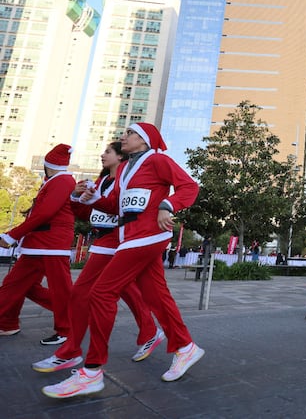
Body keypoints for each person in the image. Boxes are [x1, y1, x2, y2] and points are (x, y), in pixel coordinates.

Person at [43, 123, 203, 398]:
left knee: (101, 293)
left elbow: (189, 186)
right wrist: (93, 198)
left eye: (128, 134)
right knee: (156, 295)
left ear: (143, 139)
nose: (122, 138)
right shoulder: (127, 169)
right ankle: (186, 347)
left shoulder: (157, 159)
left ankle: (92, 371)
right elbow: (115, 205)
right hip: (130, 236)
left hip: (147, 235)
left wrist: (168, 206)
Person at [32, 141, 163, 373]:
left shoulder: (129, 180)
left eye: (108, 152)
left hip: (122, 240)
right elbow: (85, 213)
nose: (102, 155)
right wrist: (76, 197)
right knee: (100, 292)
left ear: (121, 157)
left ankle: (82, 356)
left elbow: (125, 208)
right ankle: (146, 332)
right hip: (103, 242)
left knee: (101, 292)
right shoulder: (101, 182)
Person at [0, 144, 75, 344]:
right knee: (14, 284)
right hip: (38, 243)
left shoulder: (63, 180)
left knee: (61, 290)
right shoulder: (54, 182)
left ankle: (68, 328)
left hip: (52, 243)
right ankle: (7, 323)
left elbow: (46, 213)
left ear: (46, 164)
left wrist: (11, 235)